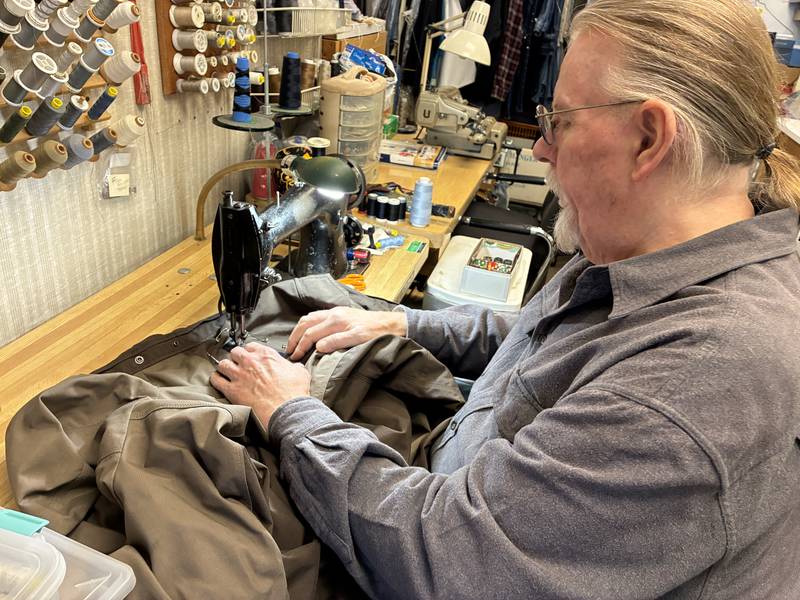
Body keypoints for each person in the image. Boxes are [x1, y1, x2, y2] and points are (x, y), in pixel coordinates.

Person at [210, 0, 800, 597]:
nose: (541, 149)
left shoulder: (697, 383)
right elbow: (547, 337)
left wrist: (292, 415)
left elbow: (445, 559)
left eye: (560, 121)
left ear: (649, 138)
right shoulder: (647, 261)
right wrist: (406, 325)